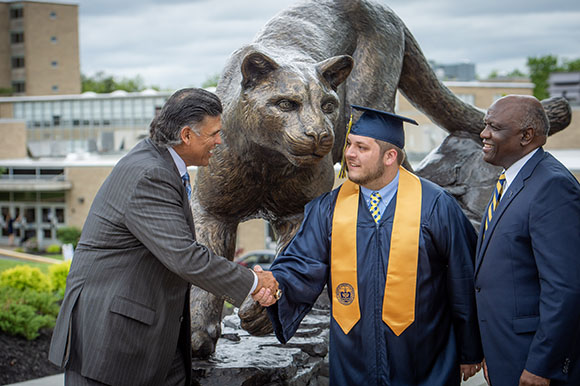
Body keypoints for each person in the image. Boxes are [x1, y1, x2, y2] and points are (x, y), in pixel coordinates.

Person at [49, 88, 279, 386]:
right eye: (214, 134)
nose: (220, 141)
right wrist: (254, 283)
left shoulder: (158, 162)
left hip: (151, 338)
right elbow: (184, 257)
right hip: (112, 343)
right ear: (186, 135)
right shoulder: (150, 175)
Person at [266, 105, 483, 385]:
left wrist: (470, 349)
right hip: (354, 360)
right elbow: (302, 264)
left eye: (361, 147)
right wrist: (275, 283)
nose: (349, 154)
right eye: (350, 145)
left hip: (424, 361)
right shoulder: (328, 209)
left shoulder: (435, 206)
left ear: (390, 156)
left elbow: (463, 277)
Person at [475, 95, 580, 386]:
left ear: (526, 136)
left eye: (494, 127)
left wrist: (541, 365)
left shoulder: (552, 186)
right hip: (505, 353)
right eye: (485, 125)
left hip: (531, 363)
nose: (484, 134)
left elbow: (565, 288)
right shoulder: (510, 181)